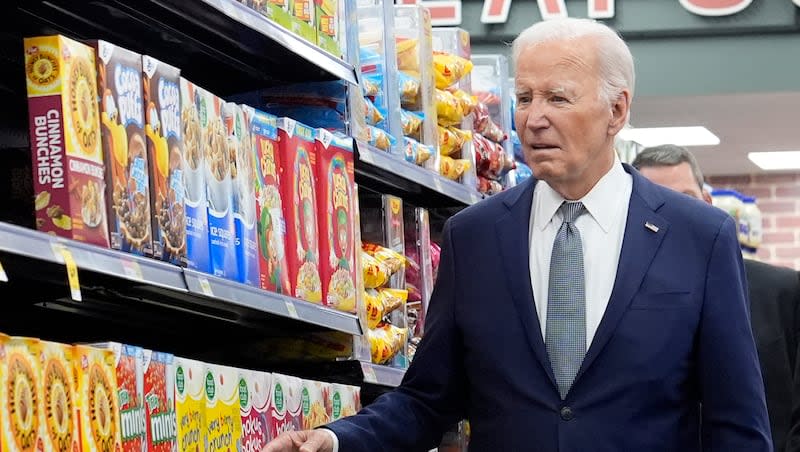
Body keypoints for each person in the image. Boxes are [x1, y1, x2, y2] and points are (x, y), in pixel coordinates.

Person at [263, 18, 772, 452]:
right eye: (525, 98)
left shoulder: (698, 237)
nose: (534, 118)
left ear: (617, 111)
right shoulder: (476, 237)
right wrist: (336, 440)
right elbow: (427, 398)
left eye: (558, 98)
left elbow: (737, 424)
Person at [633, 143, 800, 452]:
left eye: (685, 200)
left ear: (707, 203)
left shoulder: (784, 293)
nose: (672, 216)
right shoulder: (617, 307)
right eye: (655, 203)